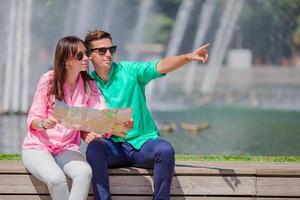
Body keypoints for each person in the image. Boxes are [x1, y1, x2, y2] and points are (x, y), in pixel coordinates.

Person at [82, 30, 209, 200]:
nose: (108, 55)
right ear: (89, 55)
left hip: (143, 145)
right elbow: (79, 116)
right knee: (94, 149)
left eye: (111, 50)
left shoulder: (130, 71)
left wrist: (187, 57)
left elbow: (160, 66)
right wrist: (86, 133)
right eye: (101, 51)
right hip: (113, 147)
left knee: (165, 150)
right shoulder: (87, 83)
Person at [22, 36, 119, 200]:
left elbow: (100, 114)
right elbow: (33, 119)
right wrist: (45, 123)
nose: (87, 58)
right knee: (56, 179)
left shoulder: (89, 85)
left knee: (84, 172)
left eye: (86, 53)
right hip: (37, 146)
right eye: (80, 55)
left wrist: (115, 124)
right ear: (66, 60)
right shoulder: (48, 80)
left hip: (66, 148)